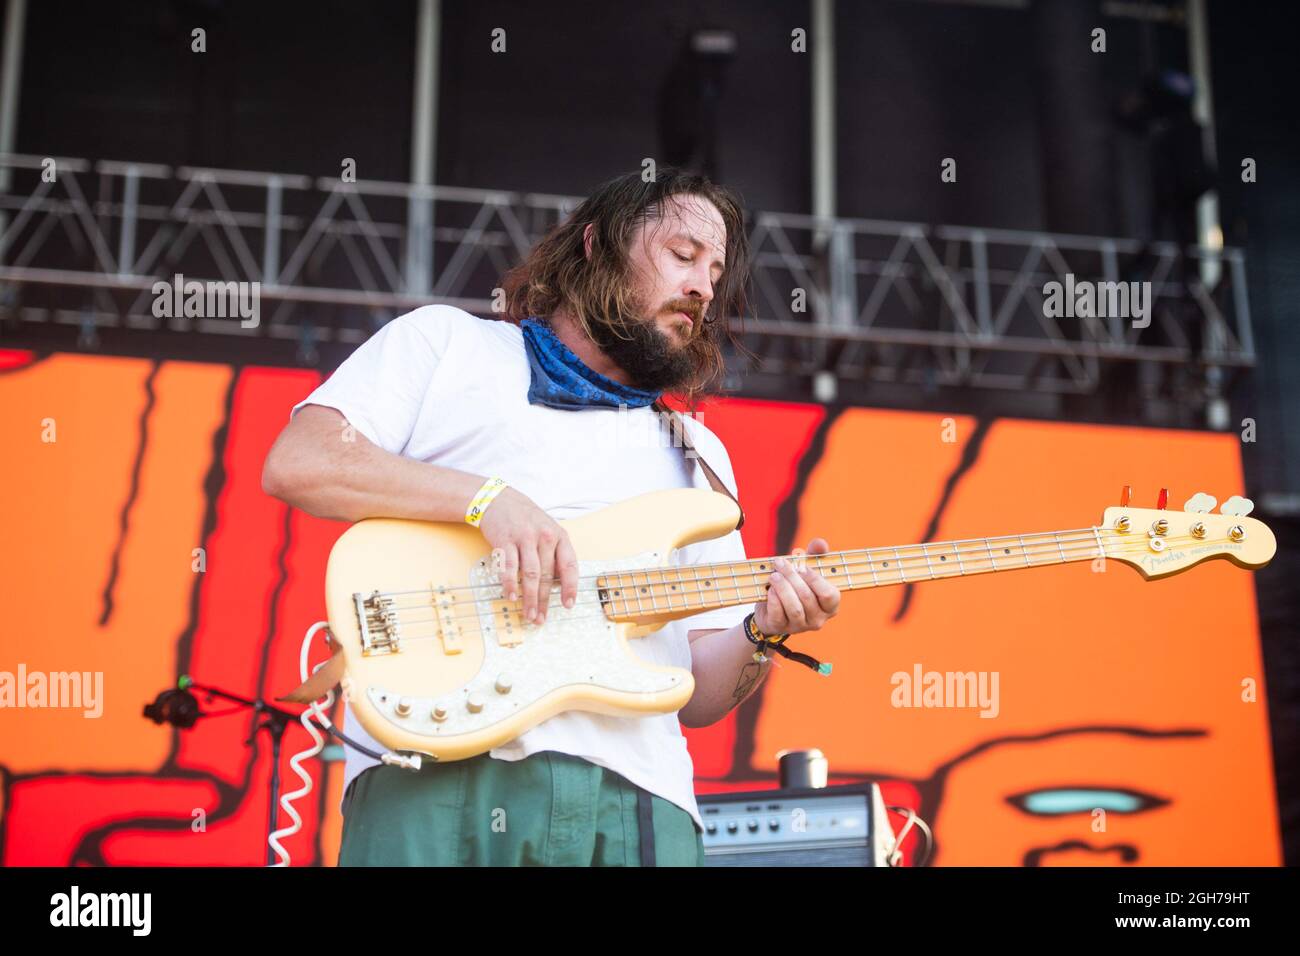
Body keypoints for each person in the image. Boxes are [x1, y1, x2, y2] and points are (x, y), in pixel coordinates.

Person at [261, 167, 840, 866]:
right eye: (683, 255)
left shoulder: (699, 454)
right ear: (597, 245)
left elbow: (698, 695)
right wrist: (486, 500)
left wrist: (763, 631)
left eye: (714, 273)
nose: (703, 289)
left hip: (638, 798)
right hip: (435, 765)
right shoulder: (448, 344)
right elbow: (301, 461)